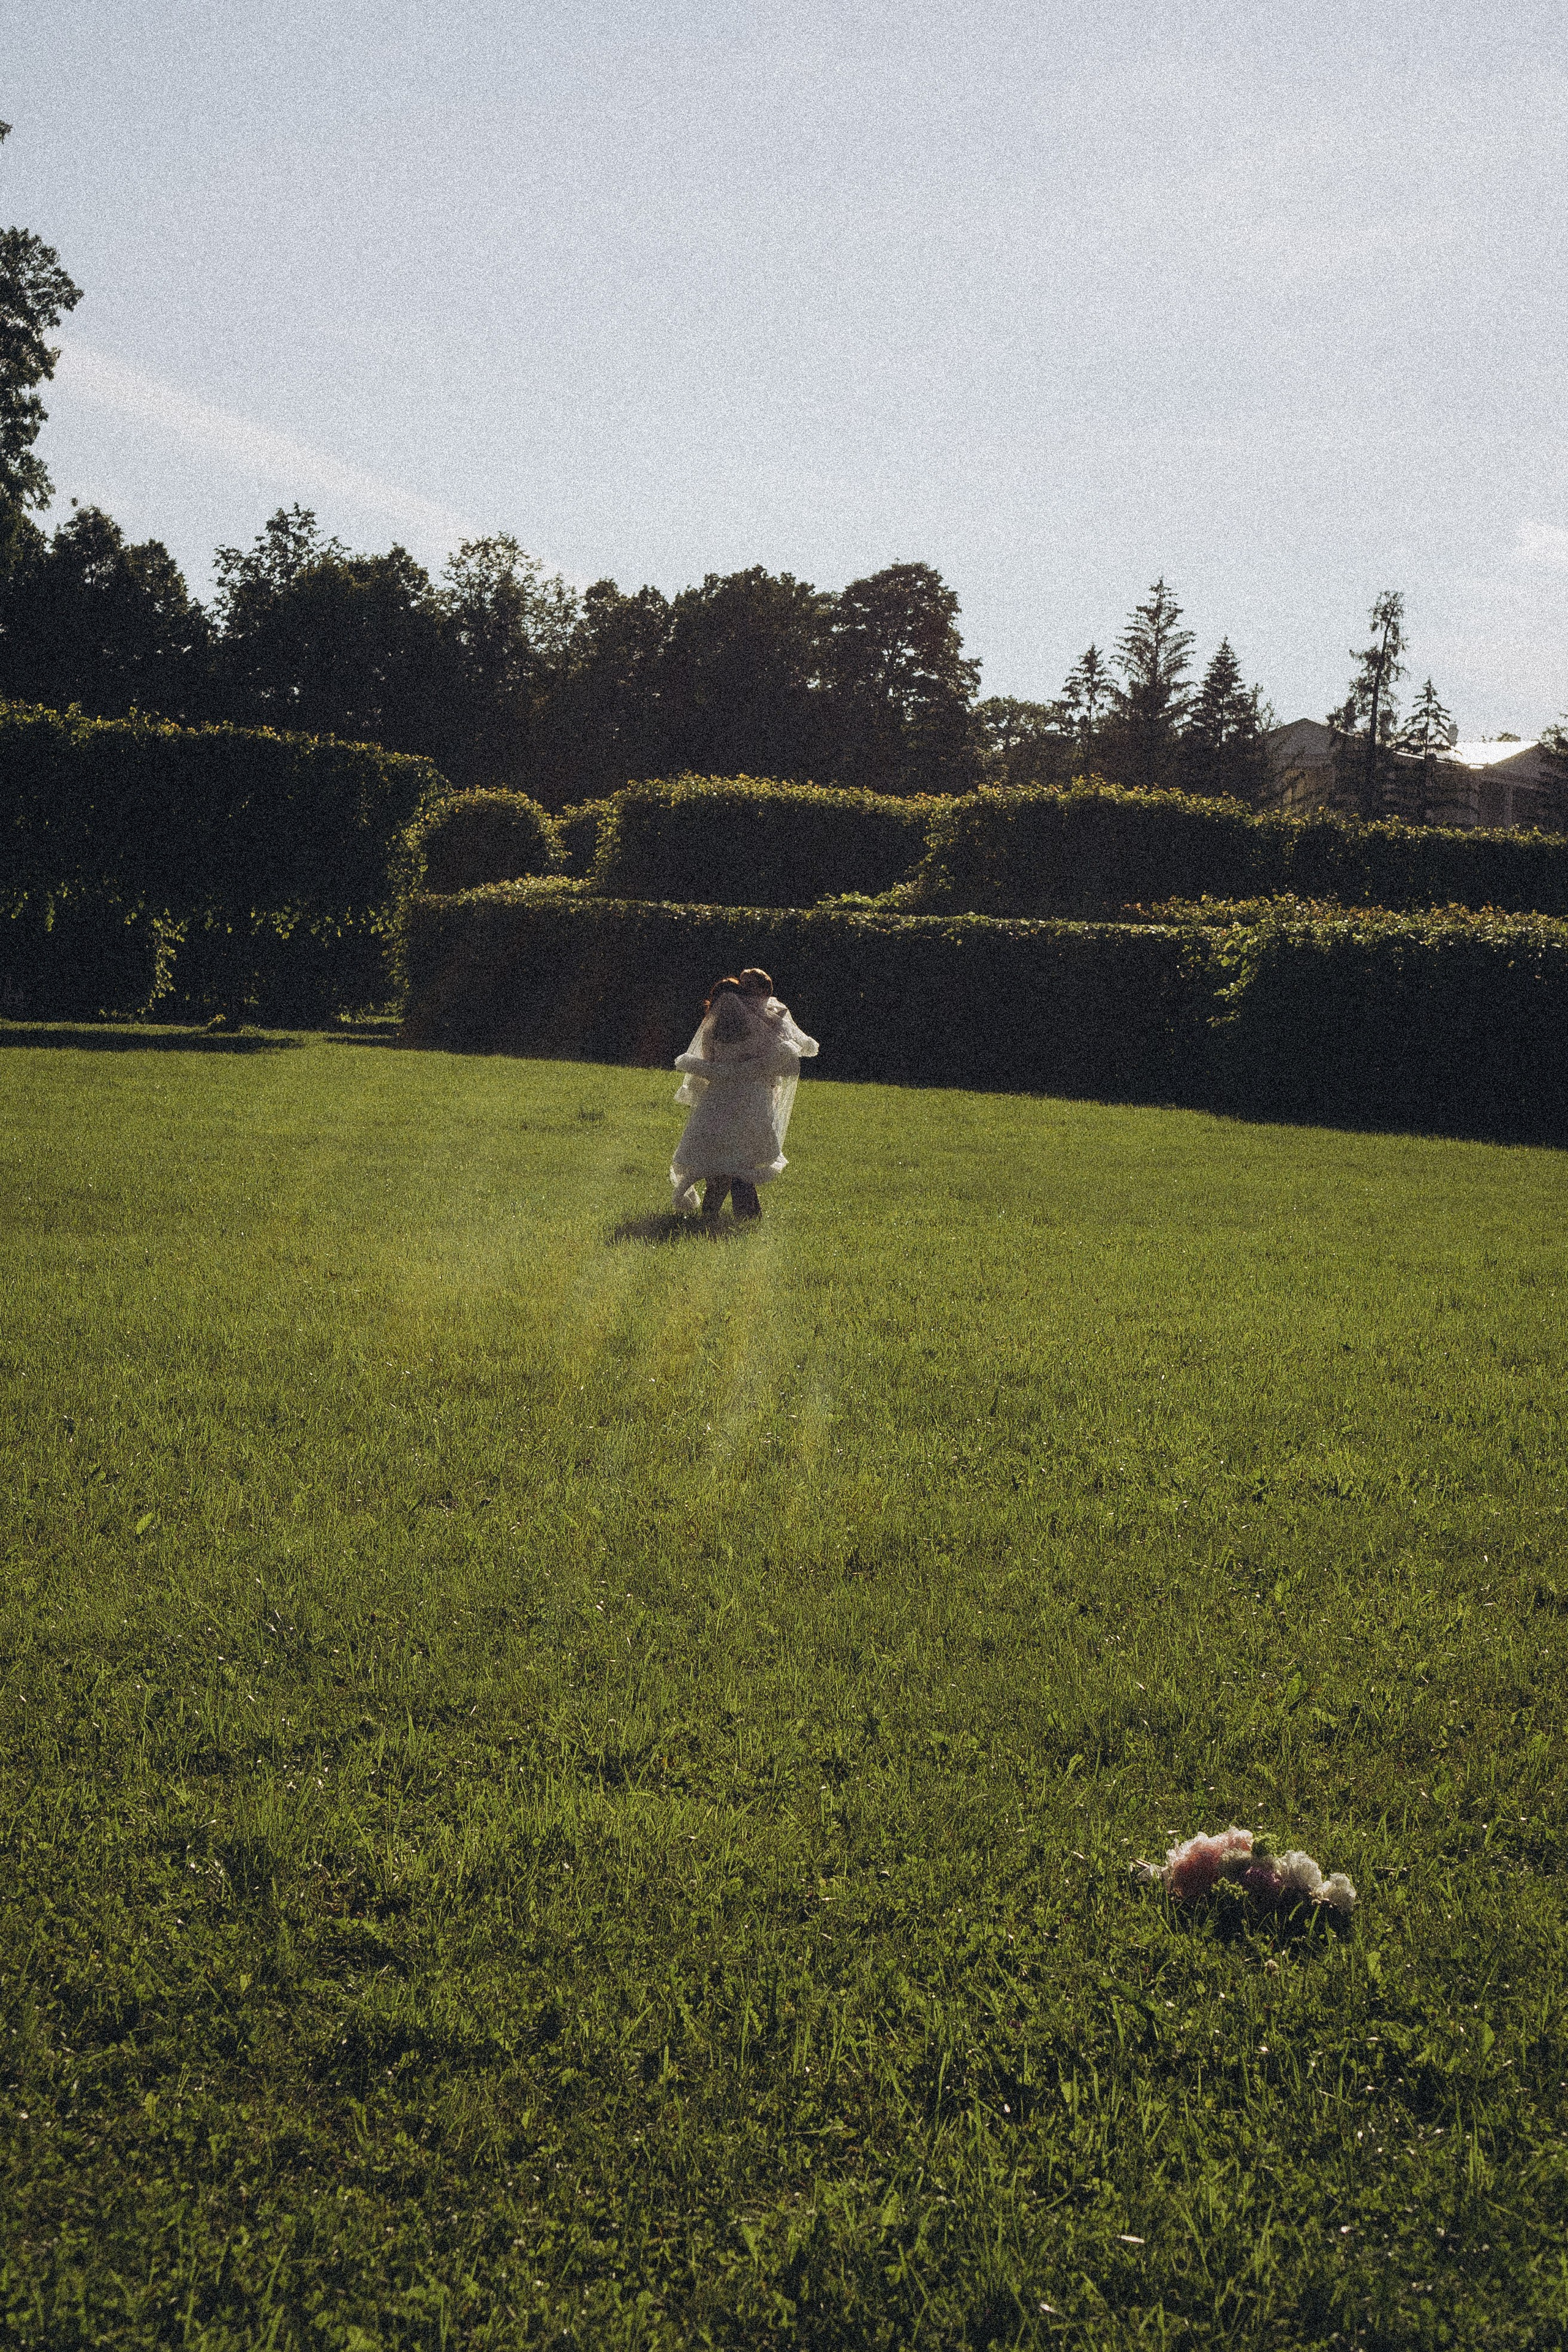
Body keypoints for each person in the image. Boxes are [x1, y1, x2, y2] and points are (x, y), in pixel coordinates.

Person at [670, 971, 819, 1216]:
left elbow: (709, 1065)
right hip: (749, 1100)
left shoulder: (718, 1028)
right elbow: (785, 1059)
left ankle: (720, 1215)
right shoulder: (766, 1025)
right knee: (739, 1161)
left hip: (721, 1100)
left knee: (721, 1160)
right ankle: (740, 1216)